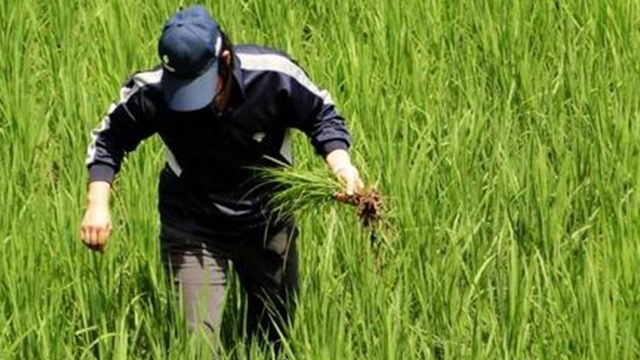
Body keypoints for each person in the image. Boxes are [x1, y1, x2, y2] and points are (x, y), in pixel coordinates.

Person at [80, 4, 363, 350]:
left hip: (267, 221)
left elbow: (323, 116)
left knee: (273, 339)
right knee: (197, 346)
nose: (192, 101)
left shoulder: (273, 76)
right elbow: (109, 138)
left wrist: (341, 168)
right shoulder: (153, 91)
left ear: (225, 61)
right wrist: (97, 204)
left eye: (199, 86)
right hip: (193, 224)